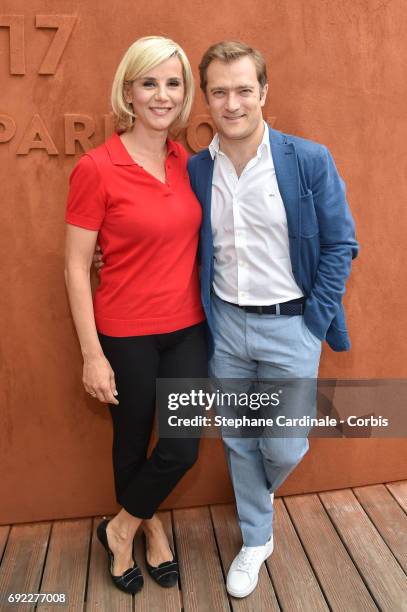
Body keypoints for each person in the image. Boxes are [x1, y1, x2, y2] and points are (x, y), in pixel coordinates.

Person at [186, 41, 359, 598]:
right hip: (226, 326)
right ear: (206, 99)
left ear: (263, 92)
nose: (231, 103)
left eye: (243, 89)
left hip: (291, 325)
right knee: (238, 436)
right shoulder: (195, 169)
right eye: (219, 92)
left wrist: (314, 321)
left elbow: (340, 243)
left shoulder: (307, 159)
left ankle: (256, 503)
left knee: (282, 444)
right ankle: (257, 538)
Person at [64, 36, 207, 594]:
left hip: (188, 328)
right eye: (149, 82)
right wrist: (92, 355)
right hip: (124, 333)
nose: (162, 94)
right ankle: (155, 533)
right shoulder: (97, 168)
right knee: (130, 443)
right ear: (128, 91)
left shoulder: (187, 163)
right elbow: (77, 267)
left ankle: (120, 530)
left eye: (173, 83)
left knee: (181, 445)